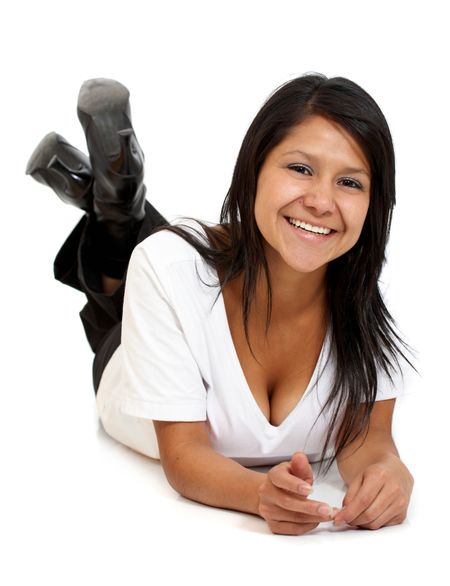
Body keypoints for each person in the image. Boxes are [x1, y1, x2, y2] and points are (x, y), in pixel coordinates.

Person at [27, 74, 416, 536]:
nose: (320, 201)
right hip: (129, 371)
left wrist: (391, 474)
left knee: (168, 265)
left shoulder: (368, 287)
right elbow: (184, 454)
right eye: (300, 169)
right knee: (130, 284)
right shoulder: (171, 268)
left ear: (375, 203)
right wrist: (258, 495)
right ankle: (118, 211)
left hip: (195, 269)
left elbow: (369, 438)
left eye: (350, 181)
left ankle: (116, 198)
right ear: (254, 169)